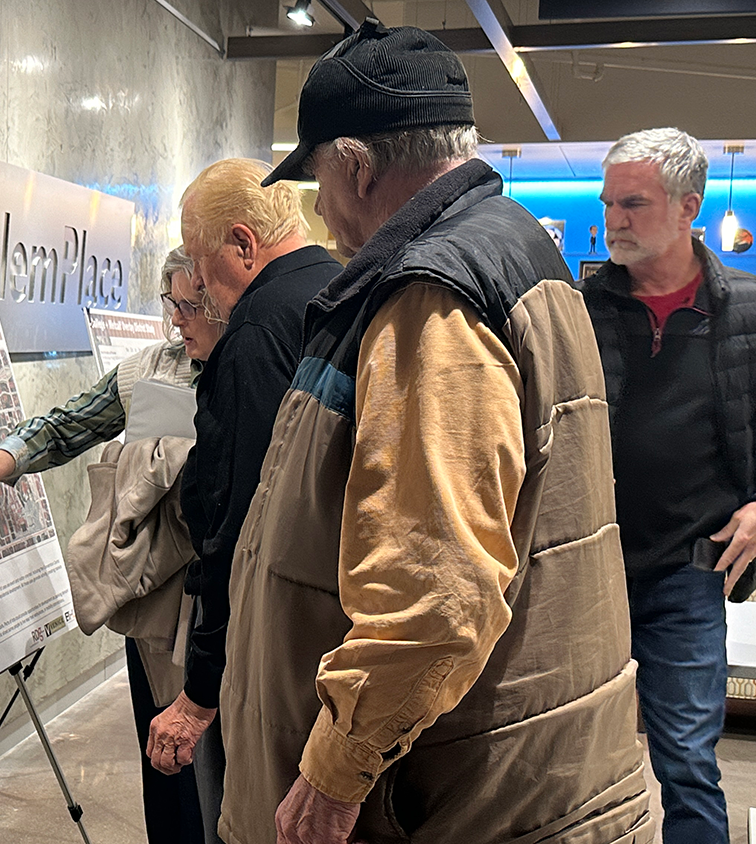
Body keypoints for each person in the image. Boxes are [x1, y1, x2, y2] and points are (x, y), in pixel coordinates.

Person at [225, 20, 654, 844]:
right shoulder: (522, 251)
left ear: (356, 165)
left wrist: (332, 771)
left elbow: (436, 597)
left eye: (317, 180)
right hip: (534, 777)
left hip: (464, 802)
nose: (321, 211)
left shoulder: (434, 297)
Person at [583, 128, 756, 844]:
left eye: (633, 203)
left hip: (689, 574)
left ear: (689, 205)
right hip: (582, 571)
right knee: (561, 758)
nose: (615, 219)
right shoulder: (580, 308)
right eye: (610, 203)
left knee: (688, 766)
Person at [0, 248, 226, 844]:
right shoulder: (149, 370)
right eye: (172, 304)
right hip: (154, 607)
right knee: (165, 768)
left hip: (224, 603)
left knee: (222, 782)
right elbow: (70, 422)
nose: (179, 320)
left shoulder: (256, 364)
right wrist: (3, 461)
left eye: (193, 305)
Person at [144, 158, 342, 834]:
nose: (196, 286)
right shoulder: (339, 288)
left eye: (201, 263)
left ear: (242, 243)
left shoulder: (256, 330)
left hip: (275, 631)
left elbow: (241, 519)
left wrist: (200, 692)